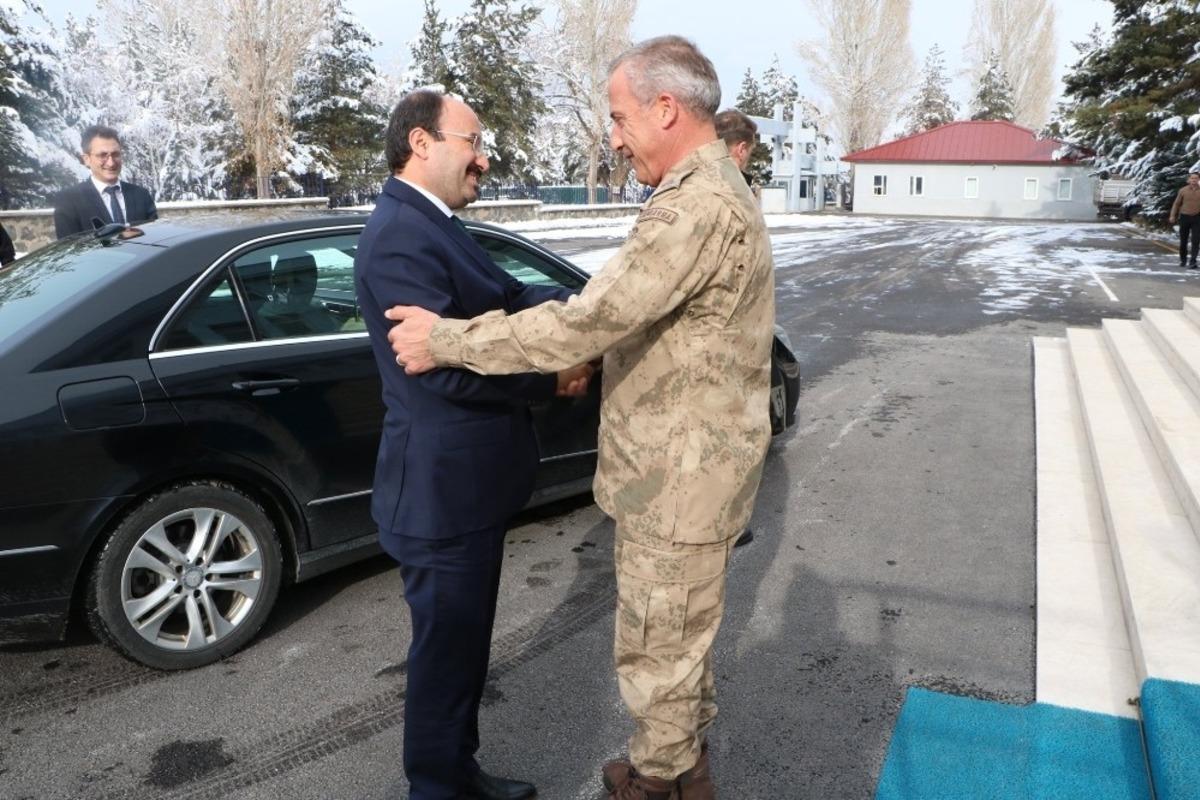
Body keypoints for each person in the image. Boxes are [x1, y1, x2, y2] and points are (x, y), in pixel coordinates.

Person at [386, 36, 775, 800]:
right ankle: (679, 767)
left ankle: (659, 783)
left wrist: (448, 339)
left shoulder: (696, 205)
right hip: (681, 472)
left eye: (620, 117)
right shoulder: (709, 191)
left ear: (666, 110)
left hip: (680, 480)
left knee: (659, 653)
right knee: (677, 647)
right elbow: (638, 319)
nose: (615, 135)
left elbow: (590, 318)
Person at [353, 89, 591, 800]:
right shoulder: (401, 233)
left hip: (465, 490)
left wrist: (584, 321)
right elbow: (437, 375)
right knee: (446, 660)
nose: (484, 157)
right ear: (420, 143)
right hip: (440, 494)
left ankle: (459, 776)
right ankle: (438, 786)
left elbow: (508, 298)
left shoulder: (437, 223)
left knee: (461, 656)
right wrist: (551, 380)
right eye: (472, 140)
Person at [53, 125, 157, 239]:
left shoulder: (141, 195)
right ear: (86, 159)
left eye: (115, 154)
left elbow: (154, 238)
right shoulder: (69, 201)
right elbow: (70, 250)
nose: (111, 163)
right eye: (103, 155)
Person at [1169, 171, 1200, 269]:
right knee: (1183, 241)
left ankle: (1193, 261)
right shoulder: (1183, 190)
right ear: (1189, 179)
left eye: (1196, 178)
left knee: (1196, 240)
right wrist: (1172, 216)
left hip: (1197, 218)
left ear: (1198, 180)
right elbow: (1176, 204)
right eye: (1192, 178)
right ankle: (1183, 260)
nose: (1194, 180)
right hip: (1184, 217)